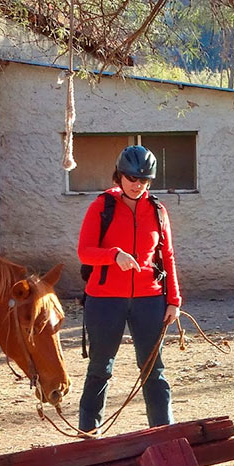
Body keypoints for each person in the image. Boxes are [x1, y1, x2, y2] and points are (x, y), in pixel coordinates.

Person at [76, 145, 182, 434]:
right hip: (105, 300)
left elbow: (167, 256)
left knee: (153, 370)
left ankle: (164, 435)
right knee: (100, 369)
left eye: (144, 180)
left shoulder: (158, 211)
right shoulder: (101, 207)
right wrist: (113, 255)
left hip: (150, 299)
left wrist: (173, 299)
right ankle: (88, 433)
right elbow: (85, 252)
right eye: (132, 178)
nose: (138, 185)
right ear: (119, 176)